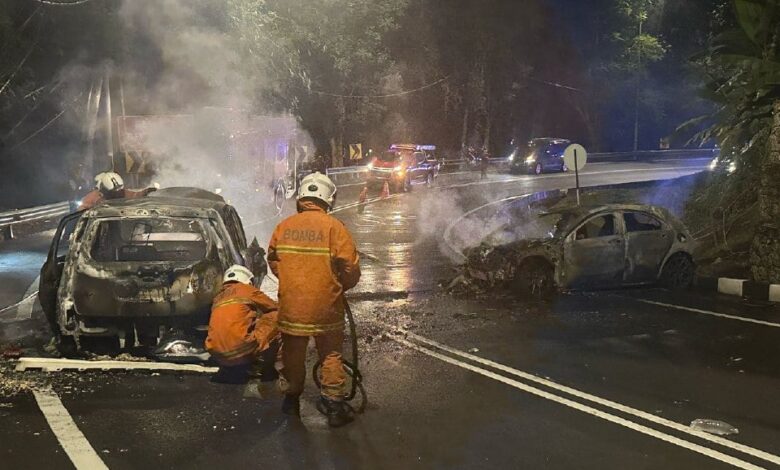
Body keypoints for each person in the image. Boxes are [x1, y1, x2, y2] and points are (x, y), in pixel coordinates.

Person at [268, 172, 361, 427]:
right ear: (328, 198)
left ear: (302, 197)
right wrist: (340, 285)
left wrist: (291, 280)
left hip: (292, 306)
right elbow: (350, 268)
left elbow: (273, 260)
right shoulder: (335, 228)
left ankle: (291, 402)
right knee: (330, 353)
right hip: (326, 306)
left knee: (292, 355)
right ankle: (334, 406)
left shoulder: (283, 227)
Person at [205, 265, 281, 393]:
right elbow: (273, 307)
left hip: (217, 354)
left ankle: (233, 366)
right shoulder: (246, 289)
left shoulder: (217, 298)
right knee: (278, 317)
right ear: (247, 279)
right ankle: (269, 371)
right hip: (240, 351)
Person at [78, 171, 156, 210]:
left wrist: (146, 191)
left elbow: (134, 196)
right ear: (105, 190)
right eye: (113, 193)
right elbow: (82, 212)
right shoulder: (92, 198)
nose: (117, 194)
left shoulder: (121, 192)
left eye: (119, 191)